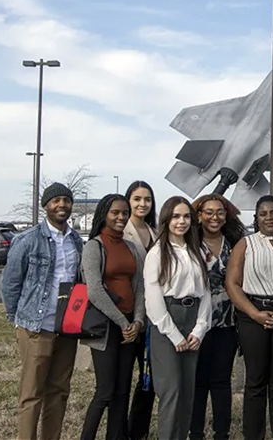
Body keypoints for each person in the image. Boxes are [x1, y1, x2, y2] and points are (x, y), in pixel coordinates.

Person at [1, 182, 84, 440]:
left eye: (66, 200)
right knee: (32, 393)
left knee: (59, 392)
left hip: (66, 329)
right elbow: (10, 283)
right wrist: (17, 319)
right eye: (56, 200)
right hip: (36, 327)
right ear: (45, 205)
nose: (62, 205)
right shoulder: (27, 240)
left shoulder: (76, 241)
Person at [225, 195, 273, 440]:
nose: (269, 217)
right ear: (256, 218)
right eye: (263, 213)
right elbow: (232, 284)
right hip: (252, 313)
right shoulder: (245, 244)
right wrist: (255, 314)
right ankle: (253, 436)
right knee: (255, 382)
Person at [144, 196, 212, 440]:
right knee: (171, 392)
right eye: (175, 216)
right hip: (167, 325)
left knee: (187, 392)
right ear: (166, 219)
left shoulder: (197, 250)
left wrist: (199, 329)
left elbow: (205, 293)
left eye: (185, 216)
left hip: (192, 321)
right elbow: (153, 301)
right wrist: (174, 335)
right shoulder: (157, 253)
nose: (181, 221)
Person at [80, 194, 146, 440]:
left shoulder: (129, 247)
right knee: (105, 391)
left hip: (130, 327)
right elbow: (94, 290)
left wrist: (137, 322)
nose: (121, 217)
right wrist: (123, 322)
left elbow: (138, 287)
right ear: (104, 214)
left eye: (125, 213)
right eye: (115, 212)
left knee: (122, 391)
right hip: (106, 326)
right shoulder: (94, 246)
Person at [190, 194, 246, 440]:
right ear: (199, 215)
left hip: (227, 321)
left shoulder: (235, 243)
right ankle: (195, 432)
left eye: (220, 212)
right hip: (196, 322)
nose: (215, 217)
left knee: (222, 379)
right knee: (199, 380)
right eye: (209, 212)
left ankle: (221, 432)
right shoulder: (190, 243)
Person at [122, 180, 158, 440]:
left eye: (147, 199)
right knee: (121, 381)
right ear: (128, 201)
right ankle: (119, 431)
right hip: (126, 316)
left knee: (149, 380)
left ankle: (138, 431)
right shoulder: (121, 232)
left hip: (152, 318)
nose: (142, 204)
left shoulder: (156, 232)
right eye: (137, 199)